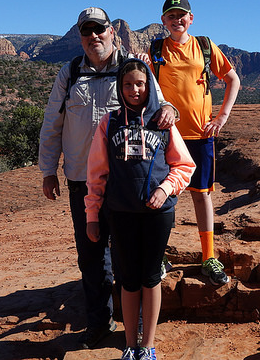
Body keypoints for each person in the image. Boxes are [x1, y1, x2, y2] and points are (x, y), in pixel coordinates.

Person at [39, 7, 177, 349]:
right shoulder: (70, 72)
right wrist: (47, 170)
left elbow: (158, 105)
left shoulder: (132, 68)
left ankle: (140, 329)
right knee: (91, 253)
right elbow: (51, 124)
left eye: (99, 30)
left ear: (112, 32)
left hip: (126, 180)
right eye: (87, 32)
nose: (93, 37)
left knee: (132, 254)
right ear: (80, 36)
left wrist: (172, 109)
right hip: (81, 179)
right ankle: (100, 323)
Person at [86, 58, 195, 360]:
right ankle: (130, 345)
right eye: (128, 84)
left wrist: (165, 188)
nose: (134, 90)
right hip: (120, 213)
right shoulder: (108, 123)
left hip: (158, 214)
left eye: (140, 84)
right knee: (128, 280)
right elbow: (96, 175)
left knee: (150, 277)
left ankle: (148, 346)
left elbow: (184, 165)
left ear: (149, 86)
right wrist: (92, 216)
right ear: (119, 88)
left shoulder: (162, 121)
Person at [148, 0, 240, 286]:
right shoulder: (154, 50)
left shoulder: (204, 46)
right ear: (163, 21)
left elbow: (232, 79)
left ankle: (208, 257)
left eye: (182, 15)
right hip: (166, 136)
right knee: (164, 196)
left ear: (191, 19)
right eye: (171, 16)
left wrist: (222, 117)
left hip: (200, 135)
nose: (177, 20)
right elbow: (144, 88)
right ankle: (159, 254)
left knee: (201, 194)